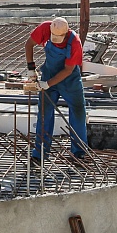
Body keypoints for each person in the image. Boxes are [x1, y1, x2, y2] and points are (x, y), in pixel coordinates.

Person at [24, 17, 88, 162]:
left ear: (66, 33)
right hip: (49, 74)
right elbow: (29, 44)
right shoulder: (46, 28)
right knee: (44, 114)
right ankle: (40, 153)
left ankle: (78, 153)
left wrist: (48, 84)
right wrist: (31, 69)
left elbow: (68, 70)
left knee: (78, 113)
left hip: (69, 80)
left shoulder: (75, 42)